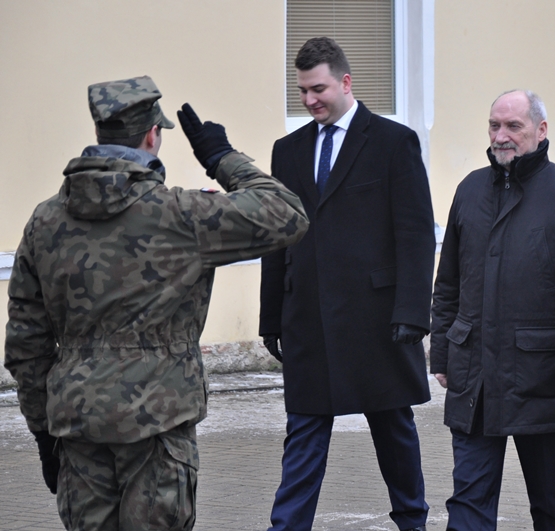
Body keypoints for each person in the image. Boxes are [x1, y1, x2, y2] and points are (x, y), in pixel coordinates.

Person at [3, 75, 309, 531]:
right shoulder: (182, 216)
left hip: (77, 426)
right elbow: (287, 214)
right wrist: (220, 157)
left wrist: (44, 434)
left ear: (99, 134)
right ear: (153, 135)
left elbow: (25, 345)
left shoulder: (46, 221)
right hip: (158, 428)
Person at [259, 37, 435, 531]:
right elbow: (279, 238)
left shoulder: (392, 141)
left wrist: (411, 313)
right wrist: (270, 316)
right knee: (305, 434)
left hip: (377, 320)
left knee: (394, 431)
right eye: (302, 92)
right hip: (308, 321)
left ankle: (412, 521)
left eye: (318, 89)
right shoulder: (287, 151)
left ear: (346, 82)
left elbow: (416, 233)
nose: (310, 100)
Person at [430, 89, 555, 530]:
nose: (501, 136)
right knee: (468, 505)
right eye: (494, 126)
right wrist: (442, 350)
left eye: (513, 126)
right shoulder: (469, 189)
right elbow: (448, 285)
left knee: (552, 509)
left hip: (544, 377)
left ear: (541, 130)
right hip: (475, 378)